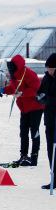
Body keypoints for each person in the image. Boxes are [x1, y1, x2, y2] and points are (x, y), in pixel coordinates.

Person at [0, 54, 44, 166]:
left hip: (35, 108)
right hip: (24, 108)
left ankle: (34, 158)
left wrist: (22, 93)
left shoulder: (29, 74)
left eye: (11, 68)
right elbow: (13, 88)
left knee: (34, 132)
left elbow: (36, 89)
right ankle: (23, 156)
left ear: (17, 66)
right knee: (23, 132)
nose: (10, 71)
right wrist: (1, 90)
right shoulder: (15, 75)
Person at [38, 54, 56, 189]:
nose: (49, 70)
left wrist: (49, 100)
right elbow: (40, 94)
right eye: (48, 68)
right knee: (51, 150)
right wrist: (40, 98)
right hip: (49, 120)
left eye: (51, 68)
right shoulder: (46, 78)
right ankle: (54, 178)